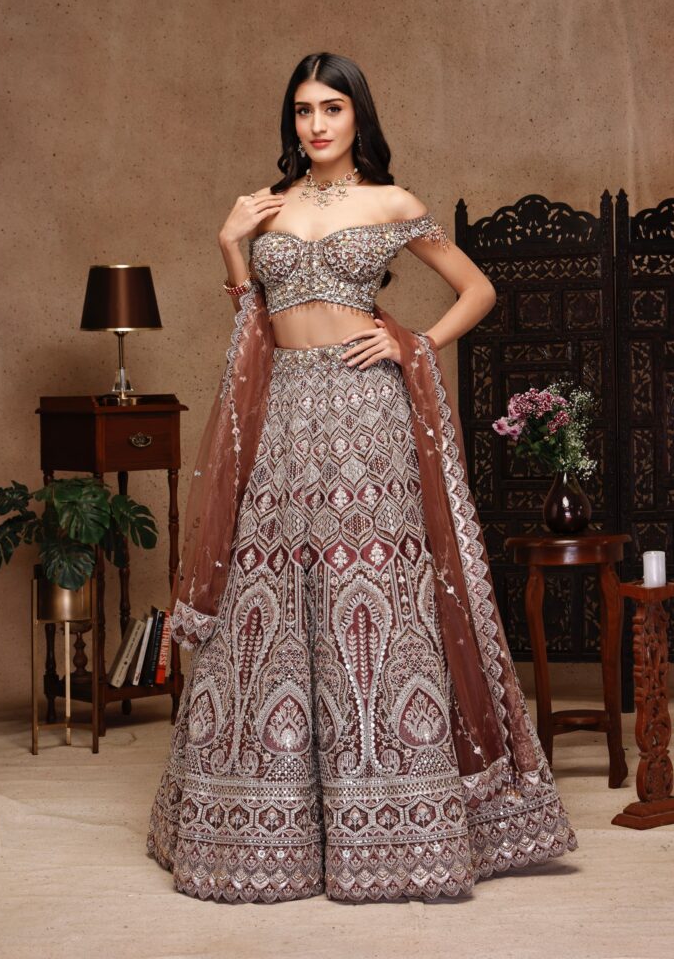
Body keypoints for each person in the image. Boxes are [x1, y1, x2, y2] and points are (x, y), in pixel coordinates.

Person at [146, 51, 578, 904]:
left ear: (357, 117)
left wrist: (411, 342)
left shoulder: (393, 203)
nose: (315, 124)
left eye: (331, 109)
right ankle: (261, 825)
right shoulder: (266, 207)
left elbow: (477, 289)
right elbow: (252, 322)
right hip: (283, 416)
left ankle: (396, 823)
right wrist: (230, 245)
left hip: (366, 416)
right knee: (269, 596)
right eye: (302, 110)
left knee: (372, 595)